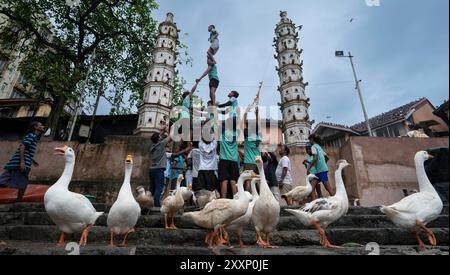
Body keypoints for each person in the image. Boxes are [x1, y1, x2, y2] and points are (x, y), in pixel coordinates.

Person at [0, 121, 45, 202]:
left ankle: (18, 201)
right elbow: (22, 147)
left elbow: (26, 150)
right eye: (40, 125)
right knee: (23, 183)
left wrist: (33, 161)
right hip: (20, 163)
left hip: (14, 163)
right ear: (35, 127)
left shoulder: (32, 137)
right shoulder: (32, 136)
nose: (42, 126)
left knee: (2, 181)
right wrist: (22, 162)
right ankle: (19, 201)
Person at [149, 123, 173, 207]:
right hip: (159, 170)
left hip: (152, 169)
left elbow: (156, 137)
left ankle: (148, 204)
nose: (161, 137)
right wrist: (167, 130)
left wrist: (162, 131)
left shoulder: (152, 146)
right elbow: (171, 136)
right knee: (159, 189)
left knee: (152, 189)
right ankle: (156, 206)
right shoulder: (161, 144)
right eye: (159, 137)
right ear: (159, 139)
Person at [307, 134, 335, 200]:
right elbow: (327, 157)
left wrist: (309, 168)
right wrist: (322, 164)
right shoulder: (319, 147)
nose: (309, 141)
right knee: (312, 187)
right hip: (319, 170)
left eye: (309, 140)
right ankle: (314, 203)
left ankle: (337, 201)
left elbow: (315, 158)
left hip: (321, 170)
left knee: (328, 188)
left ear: (312, 139)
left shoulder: (313, 147)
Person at [242, 106, 262, 191]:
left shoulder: (247, 136)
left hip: (249, 161)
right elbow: (258, 125)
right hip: (258, 160)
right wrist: (257, 114)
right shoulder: (258, 137)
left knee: (248, 181)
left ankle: (248, 200)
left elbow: (242, 123)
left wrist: (245, 113)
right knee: (259, 181)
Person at [197, 128, 219, 193]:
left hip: (202, 168)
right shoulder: (214, 143)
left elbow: (201, 137)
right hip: (211, 169)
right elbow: (215, 136)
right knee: (211, 190)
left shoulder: (200, 144)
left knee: (202, 191)